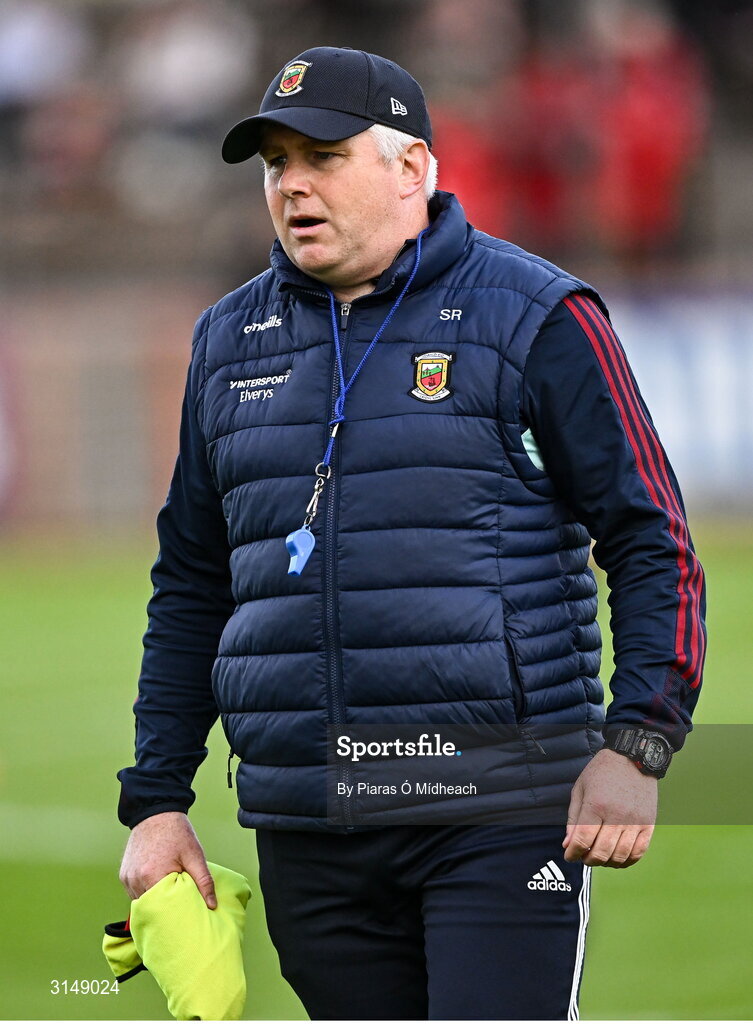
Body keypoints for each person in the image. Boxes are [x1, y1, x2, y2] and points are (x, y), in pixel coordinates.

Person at [117, 46, 706, 1021]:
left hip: (499, 810)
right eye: (274, 163)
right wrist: (158, 798)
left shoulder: (539, 316)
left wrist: (638, 739)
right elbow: (191, 582)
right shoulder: (227, 342)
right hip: (307, 821)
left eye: (323, 154)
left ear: (413, 169)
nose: (293, 184)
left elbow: (653, 540)